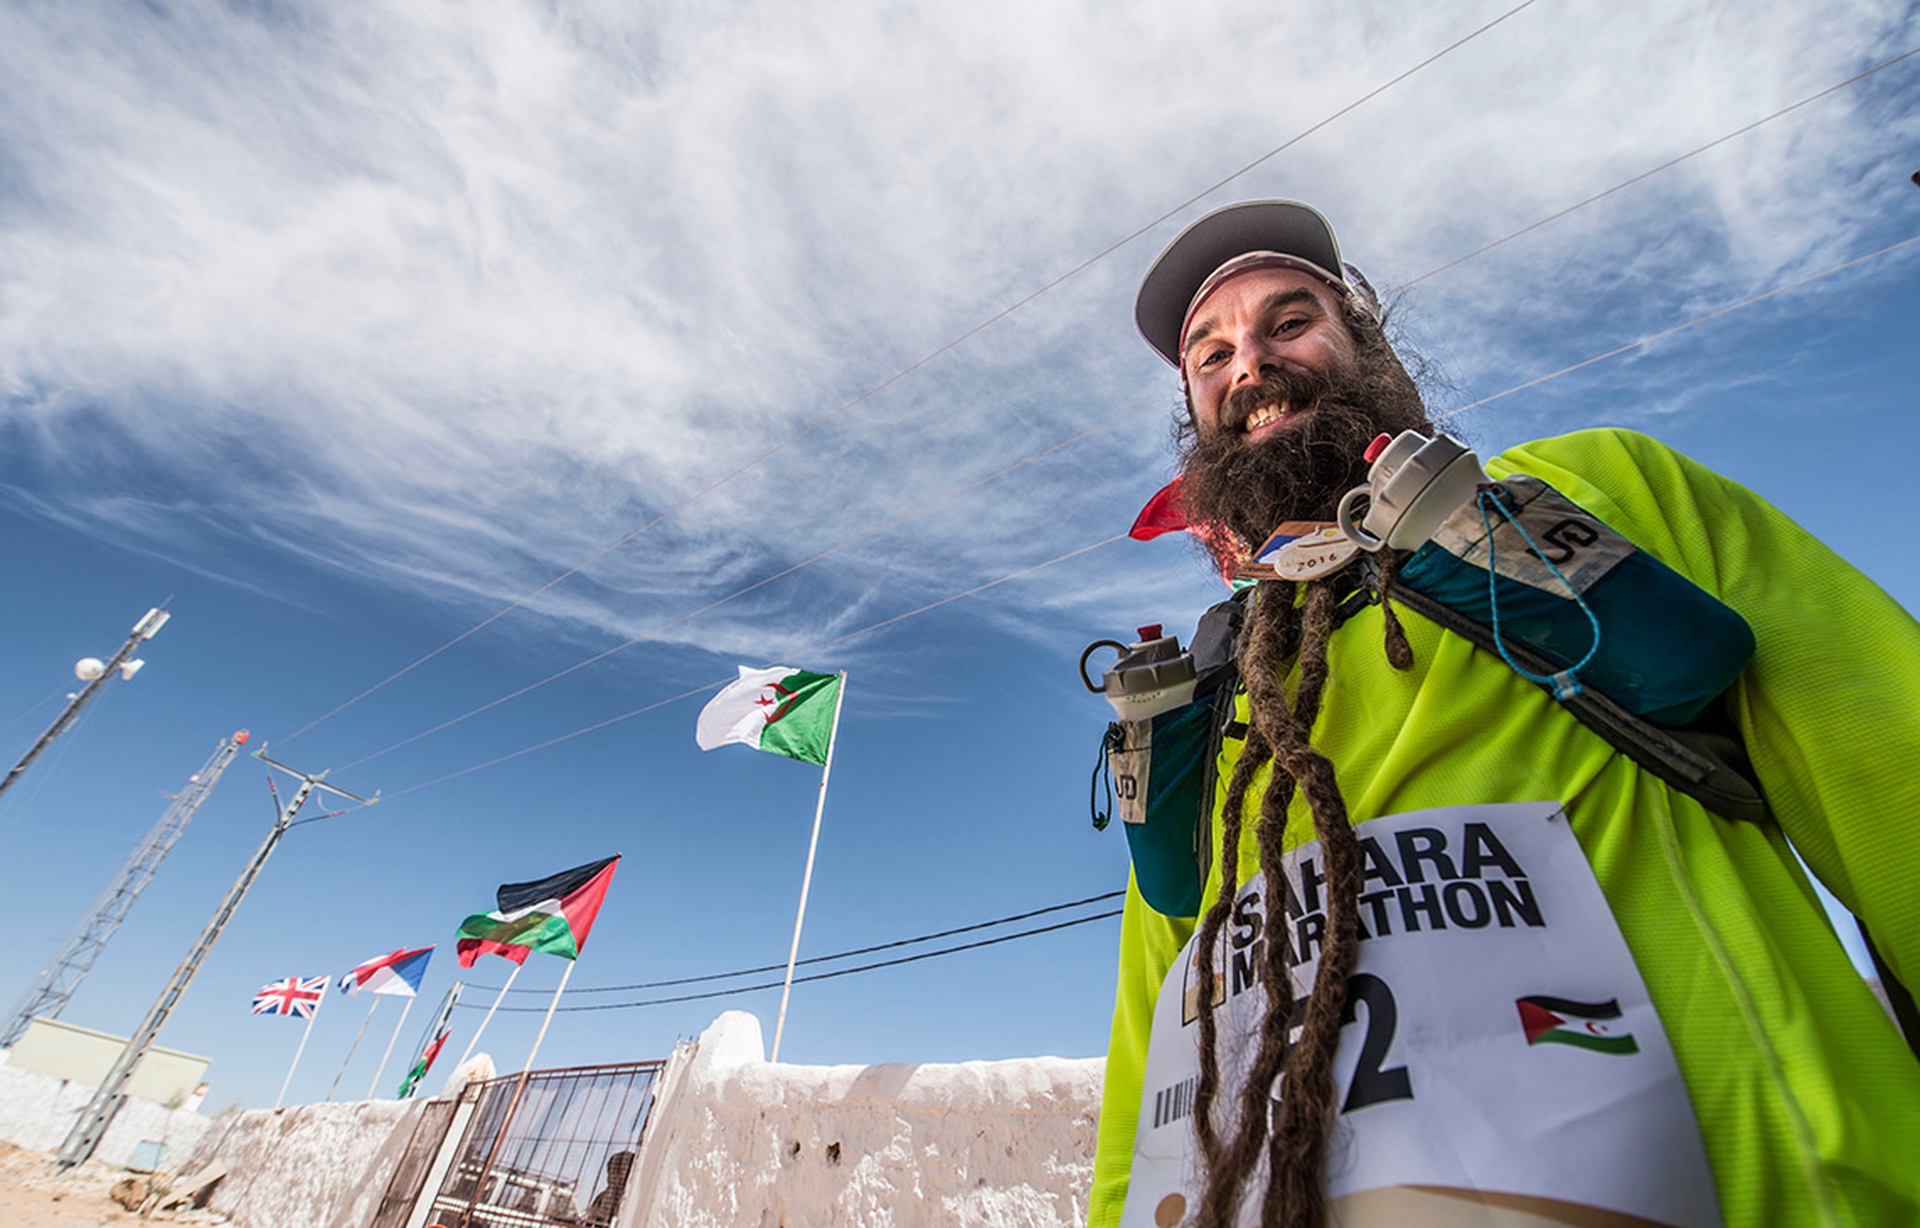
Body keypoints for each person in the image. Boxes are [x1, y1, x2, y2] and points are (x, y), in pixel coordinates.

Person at [1087, 200, 1920, 1228]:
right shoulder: (1206, 698)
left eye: (1288, 321)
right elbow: (1156, 1055)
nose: (1247, 367)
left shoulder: (1607, 483)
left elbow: (1893, 761)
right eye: (1210, 356)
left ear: (1368, 341)